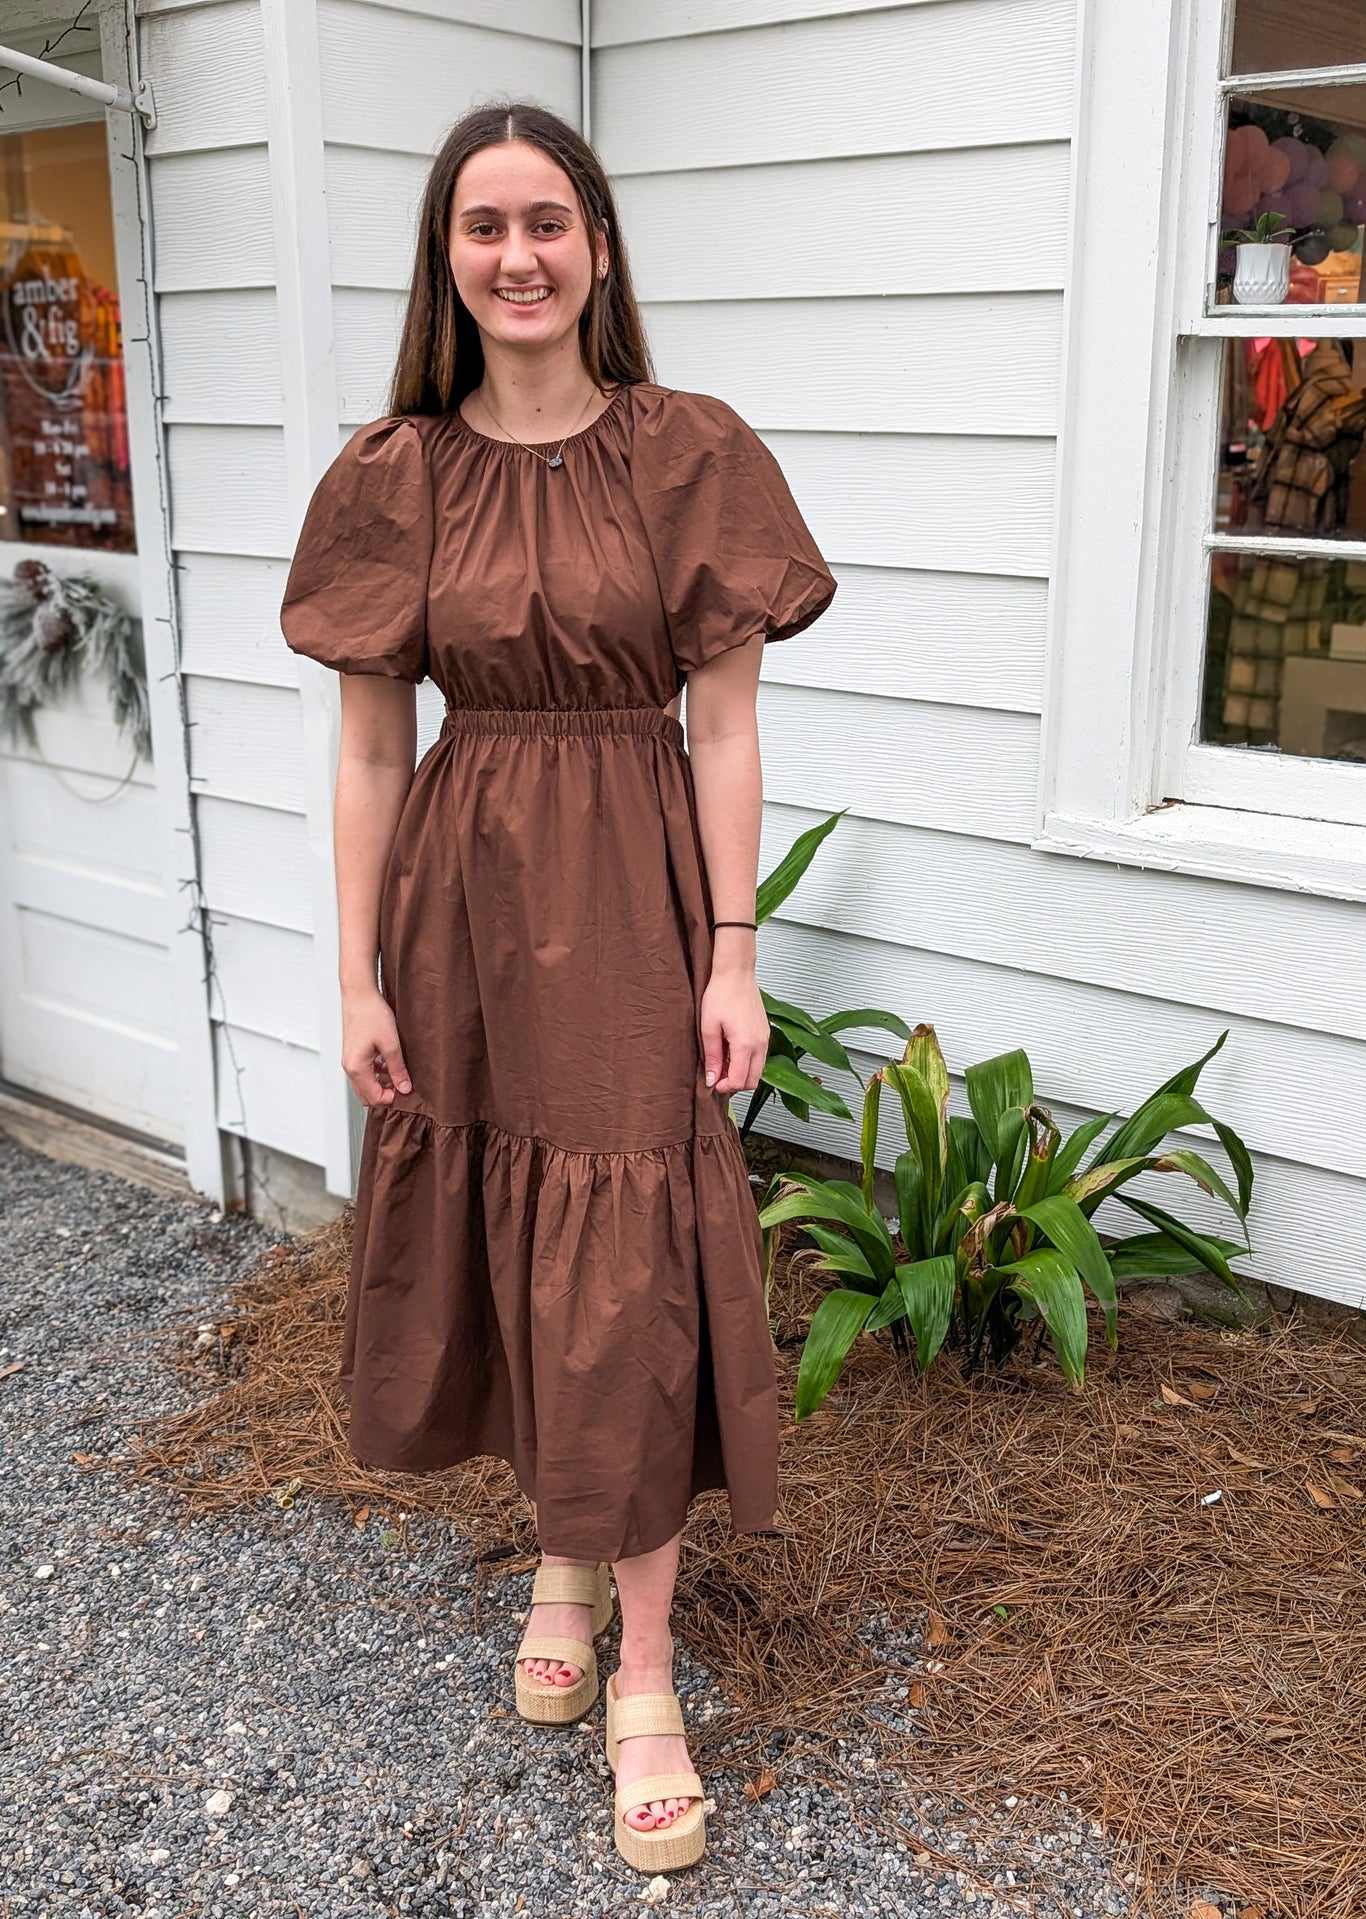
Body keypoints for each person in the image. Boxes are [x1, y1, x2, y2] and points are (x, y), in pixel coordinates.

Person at [277, 101, 836, 1874]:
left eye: (547, 222)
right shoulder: (391, 476)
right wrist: (358, 970)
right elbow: (373, 756)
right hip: (458, 901)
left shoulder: (691, 453)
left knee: (632, 1255)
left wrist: (734, 946)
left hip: (630, 901)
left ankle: (646, 1671)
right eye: (480, 227)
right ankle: (563, 1557)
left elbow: (727, 724)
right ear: (445, 258)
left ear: (596, 244)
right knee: (511, 1242)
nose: (517, 257)